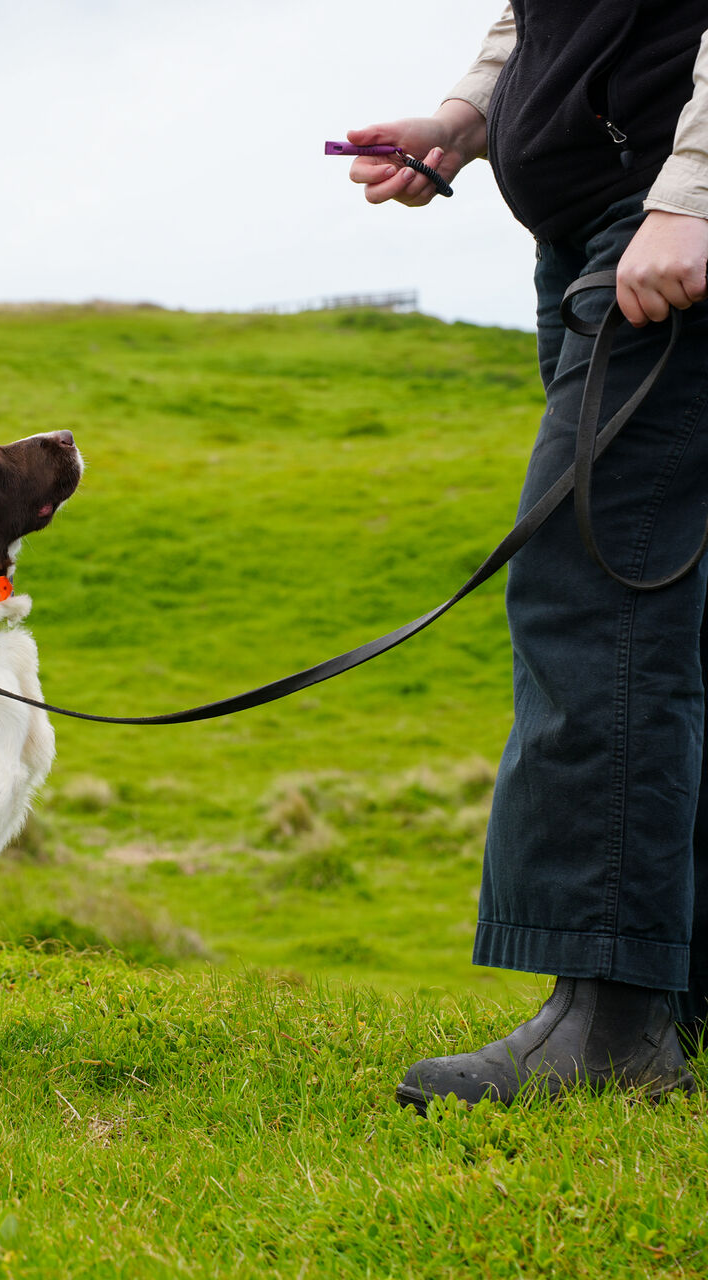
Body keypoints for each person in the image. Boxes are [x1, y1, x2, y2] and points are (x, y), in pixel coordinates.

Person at [344, 3, 708, 1111]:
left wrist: (691, 192)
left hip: (655, 219)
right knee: (671, 604)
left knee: (594, 597)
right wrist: (469, 116)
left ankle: (607, 1019)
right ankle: (669, 1000)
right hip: (602, 223)